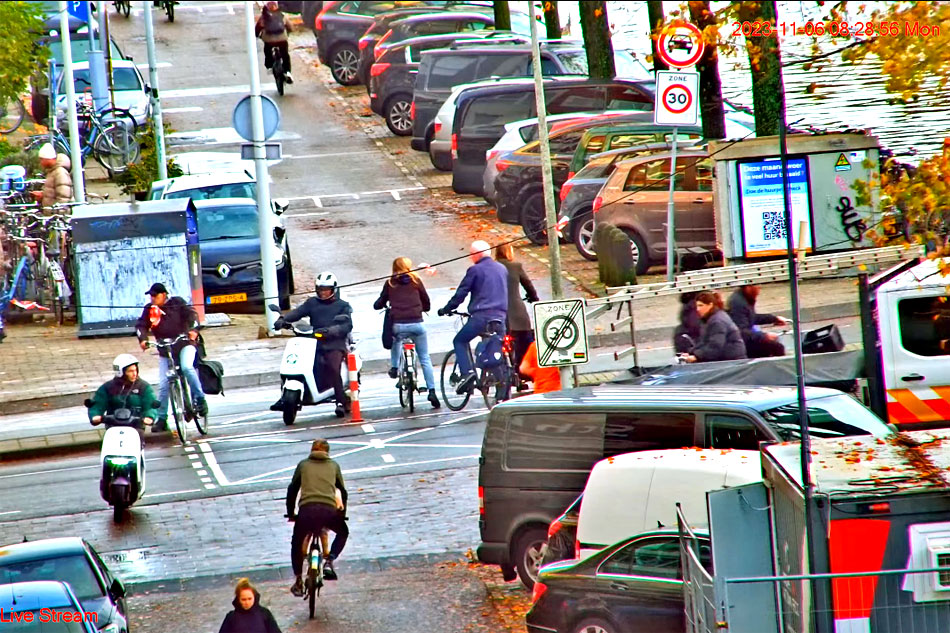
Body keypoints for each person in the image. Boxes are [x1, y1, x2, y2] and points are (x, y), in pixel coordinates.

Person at [274, 272, 352, 418]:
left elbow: (346, 325)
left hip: (334, 344)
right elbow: (298, 312)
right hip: (314, 342)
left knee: (333, 367)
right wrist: (283, 319)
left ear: (333, 289)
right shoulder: (312, 303)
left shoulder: (343, 306)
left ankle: (340, 402)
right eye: (320, 288)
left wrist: (331, 331)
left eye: (326, 289)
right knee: (294, 362)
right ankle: (284, 395)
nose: (323, 292)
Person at [135, 283, 208, 432]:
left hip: (184, 344)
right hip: (165, 349)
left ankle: (200, 399)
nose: (152, 298)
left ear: (164, 295)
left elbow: (192, 315)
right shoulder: (151, 309)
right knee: (163, 384)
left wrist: (193, 330)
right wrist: (142, 339)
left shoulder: (177, 303)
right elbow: (141, 325)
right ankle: (162, 419)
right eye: (151, 295)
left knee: (187, 367)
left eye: (155, 295)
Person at [437, 241, 508, 394]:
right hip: (501, 317)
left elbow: (461, 293)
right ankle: (501, 390)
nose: (470, 257)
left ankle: (467, 374)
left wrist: (447, 309)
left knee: (460, 341)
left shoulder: (475, 270)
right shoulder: (502, 269)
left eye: (471, 254)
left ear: (476, 255)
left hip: (481, 317)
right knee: (494, 348)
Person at [373, 257, 440, 408]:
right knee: (424, 357)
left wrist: (379, 304)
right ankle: (432, 390)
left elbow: (380, 302)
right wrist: (422, 308)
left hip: (399, 325)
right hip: (417, 324)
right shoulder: (416, 281)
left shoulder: (390, 283)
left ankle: (395, 367)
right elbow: (426, 301)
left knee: (396, 340)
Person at [287, 439, 349, 593]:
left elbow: (293, 489)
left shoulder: (303, 465)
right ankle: (329, 560)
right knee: (343, 532)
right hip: (329, 511)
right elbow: (342, 491)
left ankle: (298, 580)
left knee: (296, 542)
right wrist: (342, 514)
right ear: (327, 452)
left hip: (306, 511)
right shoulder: (334, 465)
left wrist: (291, 513)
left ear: (312, 450)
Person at [493, 244, 539, 389]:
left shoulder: (492, 268)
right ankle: (522, 376)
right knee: (524, 343)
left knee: (499, 343)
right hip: (517, 313)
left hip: (498, 312)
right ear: (509, 253)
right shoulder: (516, 266)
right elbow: (528, 285)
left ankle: (502, 376)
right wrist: (534, 297)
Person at [88, 354, 158, 430]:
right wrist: (95, 415)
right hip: (113, 427)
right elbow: (98, 403)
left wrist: (149, 416)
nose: (135, 374)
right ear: (121, 372)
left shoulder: (143, 386)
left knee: (138, 439)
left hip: (136, 427)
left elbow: (150, 404)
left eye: (135, 370)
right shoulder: (108, 387)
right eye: (130, 371)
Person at [684, 291, 747, 363]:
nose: (698, 309)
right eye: (697, 306)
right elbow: (705, 342)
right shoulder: (710, 319)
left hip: (732, 361)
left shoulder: (717, 322)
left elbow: (715, 347)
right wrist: (692, 353)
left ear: (710, 305)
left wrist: (696, 356)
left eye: (701, 305)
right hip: (728, 359)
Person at [727, 284, 788, 358]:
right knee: (776, 347)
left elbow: (751, 317)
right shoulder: (738, 303)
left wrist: (773, 318)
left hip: (745, 339)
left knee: (774, 344)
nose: (759, 289)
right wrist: (764, 336)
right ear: (748, 287)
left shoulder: (744, 298)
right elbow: (741, 332)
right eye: (757, 287)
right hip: (740, 344)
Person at [218, 578, 282, 633]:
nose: (247, 602)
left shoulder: (264, 614)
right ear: (238, 599)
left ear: (254, 597)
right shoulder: (231, 617)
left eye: (249, 599)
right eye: (243, 599)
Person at [255, 1, 293, 84]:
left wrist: (257, 35)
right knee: (285, 54)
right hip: (282, 39)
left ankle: (269, 66)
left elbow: (257, 28)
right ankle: (287, 72)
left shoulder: (264, 17)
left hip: (269, 40)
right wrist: (288, 33)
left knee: (267, 50)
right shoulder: (281, 15)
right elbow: (290, 27)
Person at [31, 143, 71, 210]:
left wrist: (57, 214)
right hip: (52, 215)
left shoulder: (60, 173)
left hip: (57, 216)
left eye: (41, 159)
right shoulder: (52, 172)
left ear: (47, 158)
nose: (40, 162)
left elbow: (64, 198)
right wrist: (43, 195)